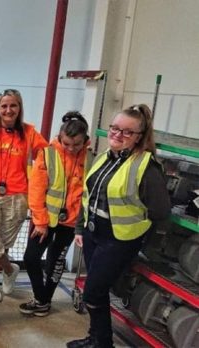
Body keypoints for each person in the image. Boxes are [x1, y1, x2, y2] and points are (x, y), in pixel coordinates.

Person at [67, 104, 170, 348]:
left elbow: (160, 211)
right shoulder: (105, 156)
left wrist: (144, 239)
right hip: (94, 234)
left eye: (126, 132)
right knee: (97, 291)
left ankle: (103, 343)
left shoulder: (146, 166)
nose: (117, 134)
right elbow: (87, 195)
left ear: (139, 137)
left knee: (93, 292)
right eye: (115, 128)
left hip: (118, 240)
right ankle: (96, 339)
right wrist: (81, 228)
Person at [0, 88, 48, 302]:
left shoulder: (29, 132)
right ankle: (10, 269)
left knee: (3, 243)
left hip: (17, 196)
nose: (8, 110)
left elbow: (48, 155)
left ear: (19, 108)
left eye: (13, 105)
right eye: (4, 106)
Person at [20, 111, 91, 317]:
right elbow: (36, 190)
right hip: (46, 221)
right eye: (66, 143)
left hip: (71, 224)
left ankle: (43, 302)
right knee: (31, 258)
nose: (70, 148)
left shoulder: (92, 158)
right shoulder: (48, 154)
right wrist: (40, 221)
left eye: (76, 144)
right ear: (60, 138)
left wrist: (81, 223)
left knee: (56, 262)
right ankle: (41, 298)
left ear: (85, 140)